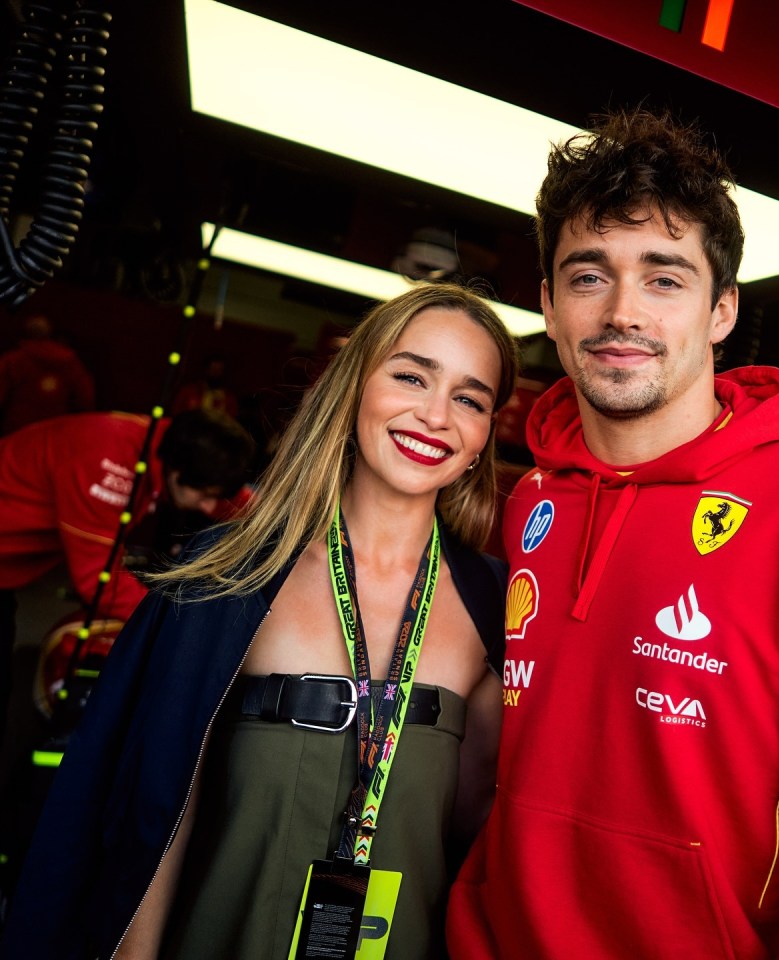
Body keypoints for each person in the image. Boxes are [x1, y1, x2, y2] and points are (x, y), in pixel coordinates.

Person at [446, 109, 779, 959]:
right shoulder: (529, 502)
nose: (623, 312)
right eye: (589, 276)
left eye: (664, 279)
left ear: (721, 312)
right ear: (550, 307)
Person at [0, 281, 520, 960]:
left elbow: (483, 842)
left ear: (482, 440)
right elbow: (155, 816)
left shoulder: (497, 608)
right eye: (411, 376)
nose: (434, 415)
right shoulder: (223, 577)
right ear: (354, 390)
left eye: (469, 398)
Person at [0, 407, 256, 748]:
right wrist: (177, 621)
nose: (209, 508)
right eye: (205, 495)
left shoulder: (177, 444)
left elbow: (234, 502)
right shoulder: (107, 464)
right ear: (178, 473)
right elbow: (99, 581)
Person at [0, 313, 96, 435]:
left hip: (18, 427)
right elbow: (85, 396)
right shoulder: (71, 362)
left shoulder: (14, 360)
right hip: (55, 426)